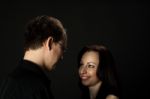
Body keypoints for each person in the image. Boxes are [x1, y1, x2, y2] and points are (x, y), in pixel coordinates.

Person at [0, 15, 67, 99]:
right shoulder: (35, 87)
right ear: (49, 43)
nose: (62, 57)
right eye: (62, 48)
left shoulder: (9, 81)